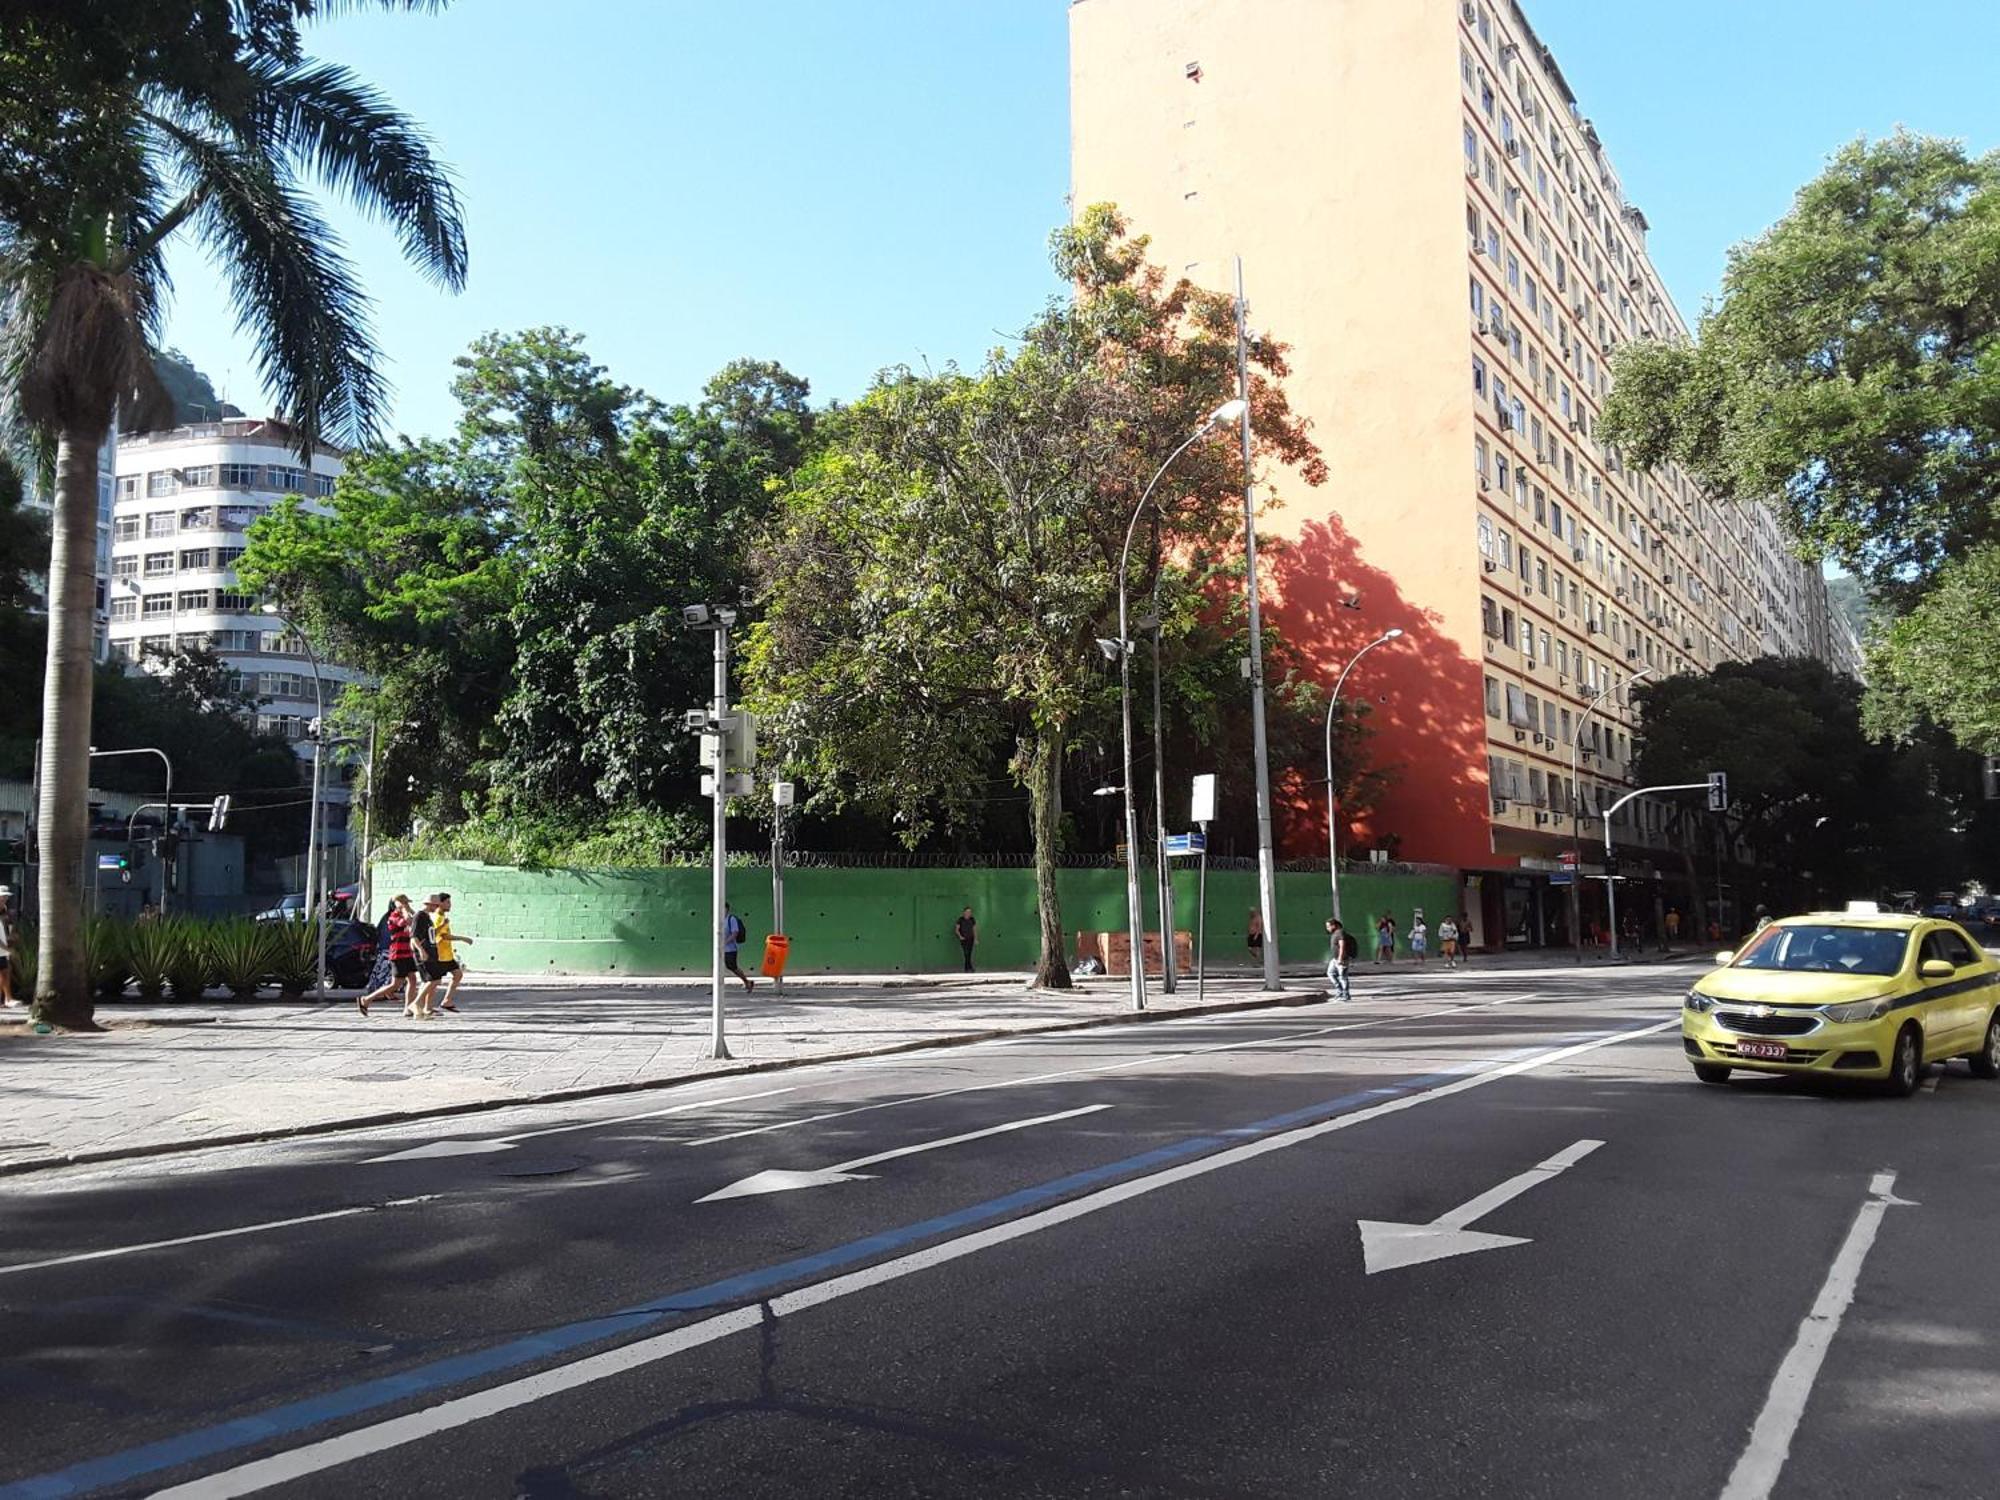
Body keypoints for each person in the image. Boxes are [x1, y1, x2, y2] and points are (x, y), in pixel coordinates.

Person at [357, 894, 418, 1018]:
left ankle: (408, 1008)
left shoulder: (403, 914)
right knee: (395, 984)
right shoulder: (393, 916)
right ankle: (366, 999)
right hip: (398, 955)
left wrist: (410, 910)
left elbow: (414, 922)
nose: (407, 905)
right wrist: (404, 909)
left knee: (412, 979)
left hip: (408, 953)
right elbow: (406, 922)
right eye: (404, 903)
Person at [416, 892, 473, 1014]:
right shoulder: (437, 918)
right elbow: (441, 936)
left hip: (447, 955)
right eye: (447, 902)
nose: (450, 905)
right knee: (434, 981)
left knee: (457, 975)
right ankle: (425, 1006)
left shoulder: (441, 917)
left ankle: (446, 1001)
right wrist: (463, 938)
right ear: (439, 904)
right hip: (440, 955)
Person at [406, 895, 441, 1017]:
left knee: (429, 980)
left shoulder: (427, 917)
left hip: (430, 952)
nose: (436, 908)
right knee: (434, 979)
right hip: (424, 953)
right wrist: (421, 951)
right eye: (435, 905)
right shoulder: (419, 916)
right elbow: (414, 936)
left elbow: (429, 935)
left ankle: (419, 1009)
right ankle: (415, 1004)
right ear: (429, 904)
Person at [1324, 916, 1357, 1002]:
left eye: (1328, 926)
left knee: (1343, 977)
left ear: (1334, 925)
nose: (1327, 928)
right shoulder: (1335, 933)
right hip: (1335, 959)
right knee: (1330, 973)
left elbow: (1342, 946)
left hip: (1342, 959)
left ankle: (1346, 994)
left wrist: (1340, 958)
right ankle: (1340, 990)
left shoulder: (1340, 933)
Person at [724, 903, 755, 992]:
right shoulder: (718, 919)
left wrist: (725, 942)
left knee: (732, 966)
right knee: (717, 967)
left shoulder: (731, 919)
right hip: (719, 948)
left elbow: (735, 933)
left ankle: (747, 981)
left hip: (730, 948)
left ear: (727, 909)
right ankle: (716, 988)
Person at [0, 886, 15, 1008]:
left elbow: (9, 926)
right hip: (2, 948)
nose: (4, 898)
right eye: (2, 896)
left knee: (5, 973)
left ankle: (6, 999)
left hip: (3, 948)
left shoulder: (5, 911)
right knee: (4, 972)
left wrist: (10, 935)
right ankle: (7, 999)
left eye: (6, 897)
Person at [954, 906, 977, 972]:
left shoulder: (972, 919)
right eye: (967, 912)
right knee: (966, 953)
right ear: (964, 912)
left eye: (970, 912)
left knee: (969, 953)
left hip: (971, 938)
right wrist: (960, 936)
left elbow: (974, 929)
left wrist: (975, 938)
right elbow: (956, 929)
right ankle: (968, 968)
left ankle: (968, 968)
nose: (968, 913)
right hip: (964, 939)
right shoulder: (960, 919)